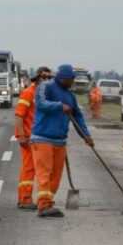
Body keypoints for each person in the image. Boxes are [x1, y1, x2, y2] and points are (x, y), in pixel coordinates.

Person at [31, 64, 93, 217]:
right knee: (44, 173)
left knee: (56, 176)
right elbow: (41, 103)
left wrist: (86, 135)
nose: (73, 82)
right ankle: (43, 205)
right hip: (43, 138)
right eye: (72, 79)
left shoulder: (70, 95)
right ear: (64, 78)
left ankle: (48, 202)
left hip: (60, 141)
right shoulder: (46, 87)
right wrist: (59, 106)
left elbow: (77, 116)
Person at [15, 66, 52, 210]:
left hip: (39, 138)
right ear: (37, 78)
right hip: (28, 137)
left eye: (49, 78)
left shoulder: (44, 94)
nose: (47, 80)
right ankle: (24, 199)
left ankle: (26, 198)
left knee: (37, 169)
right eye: (44, 77)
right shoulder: (28, 93)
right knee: (29, 168)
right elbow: (19, 115)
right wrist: (22, 136)